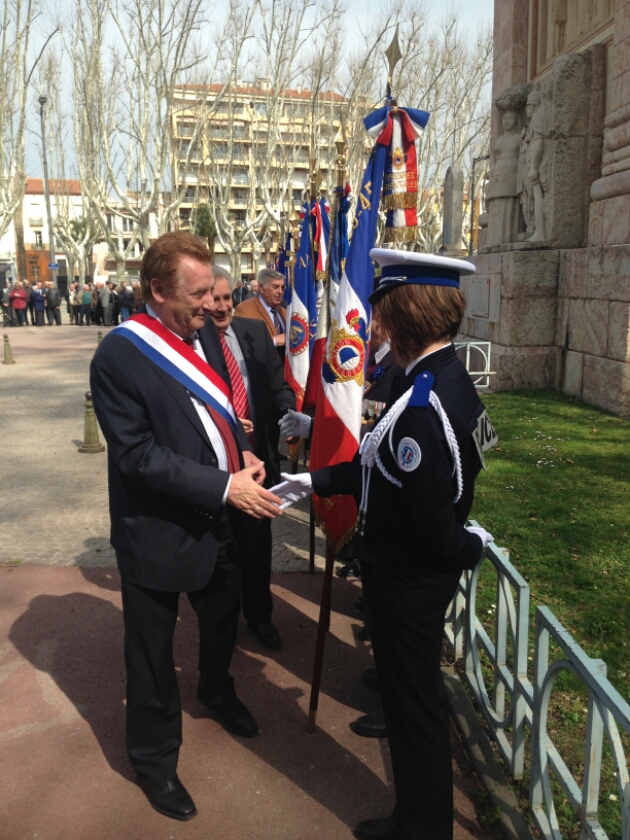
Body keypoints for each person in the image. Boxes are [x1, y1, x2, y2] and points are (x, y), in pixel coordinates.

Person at [278, 250, 495, 840]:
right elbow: (384, 470)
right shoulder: (440, 376)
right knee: (413, 704)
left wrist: (468, 547)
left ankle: (420, 826)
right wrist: (316, 479)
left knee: (414, 710)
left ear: (401, 315)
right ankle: (419, 818)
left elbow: (431, 522)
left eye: (379, 313)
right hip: (410, 571)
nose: (371, 326)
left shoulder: (425, 406)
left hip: (409, 578)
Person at [90, 231, 282, 823]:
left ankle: (217, 690)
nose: (211, 304)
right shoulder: (120, 354)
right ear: (157, 290)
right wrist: (225, 484)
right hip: (155, 531)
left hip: (216, 521)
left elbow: (219, 415)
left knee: (223, 620)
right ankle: (154, 761)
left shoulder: (199, 338)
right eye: (198, 294)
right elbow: (138, 456)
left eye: (212, 292)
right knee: (150, 656)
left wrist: (243, 454)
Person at [210, 266, 295, 649]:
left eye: (227, 297)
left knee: (258, 546)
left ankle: (259, 617)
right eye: (214, 298)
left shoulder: (255, 332)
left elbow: (277, 386)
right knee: (222, 552)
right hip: (214, 469)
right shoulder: (191, 344)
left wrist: (290, 413)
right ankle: (220, 625)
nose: (222, 306)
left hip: (259, 461)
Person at [234, 269, 286, 359]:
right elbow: (242, 344)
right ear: (261, 288)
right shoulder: (244, 310)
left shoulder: (284, 312)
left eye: (282, 287)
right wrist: (274, 341)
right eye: (275, 287)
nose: (280, 292)